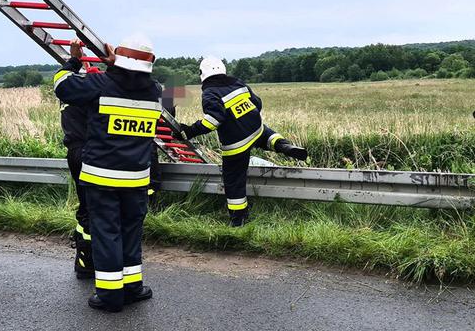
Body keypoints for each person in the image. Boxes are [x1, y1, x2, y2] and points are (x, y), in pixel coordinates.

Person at [53, 36, 161, 312]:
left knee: (106, 233)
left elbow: (62, 86)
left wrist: (74, 58)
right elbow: (130, 80)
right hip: (137, 177)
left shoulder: (100, 83)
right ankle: (133, 287)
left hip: (102, 177)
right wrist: (117, 64)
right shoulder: (155, 91)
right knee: (130, 232)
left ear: (119, 59)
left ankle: (111, 295)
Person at [179, 57, 307, 227]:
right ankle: (282, 144)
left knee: (233, 181)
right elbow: (257, 103)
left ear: (202, 74)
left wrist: (189, 131)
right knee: (265, 134)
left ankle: (238, 219)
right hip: (256, 127)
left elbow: (213, 121)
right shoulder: (238, 83)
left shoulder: (210, 92)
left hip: (236, 142)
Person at [60, 57, 101, 279]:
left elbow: (63, 78)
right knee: (92, 207)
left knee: (85, 205)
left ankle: (84, 259)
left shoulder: (69, 94)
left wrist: (73, 62)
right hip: (89, 152)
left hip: (74, 152)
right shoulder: (91, 97)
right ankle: (89, 260)